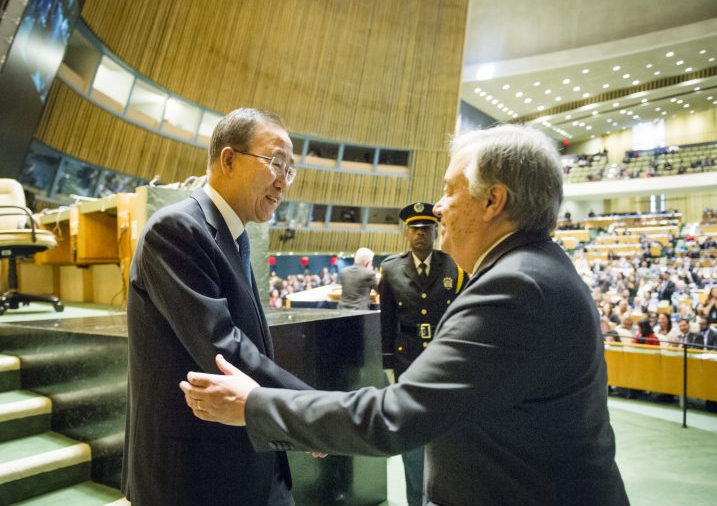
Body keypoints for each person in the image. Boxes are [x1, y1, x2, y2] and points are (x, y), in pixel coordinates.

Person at [180, 124, 629, 505]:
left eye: (450, 190)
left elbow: (393, 417)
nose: (437, 207)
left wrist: (253, 405)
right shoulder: (528, 268)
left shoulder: (517, 286)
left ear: (493, 200)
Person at [123, 108, 313, 506]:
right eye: (275, 162)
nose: (283, 182)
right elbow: (223, 348)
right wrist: (307, 409)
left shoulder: (236, 237)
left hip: (246, 461)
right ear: (228, 159)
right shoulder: (176, 229)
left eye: (290, 170)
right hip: (195, 474)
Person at [377, 201, 465, 505]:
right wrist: (387, 363)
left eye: (426, 228)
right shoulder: (390, 269)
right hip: (406, 360)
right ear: (406, 233)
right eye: (415, 229)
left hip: (444, 358)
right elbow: (386, 321)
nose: (420, 234)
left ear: (435, 232)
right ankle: (416, 499)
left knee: (446, 433)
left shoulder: (453, 266)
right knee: (412, 435)